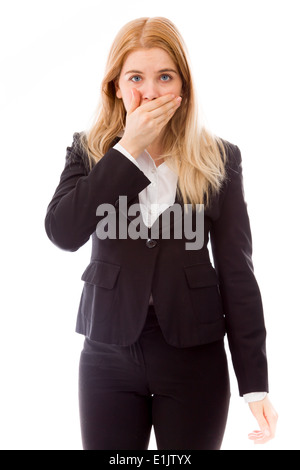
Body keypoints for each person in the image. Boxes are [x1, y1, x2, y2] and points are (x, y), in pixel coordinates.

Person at [44, 17, 278, 450]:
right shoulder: (89, 150)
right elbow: (62, 232)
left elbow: (237, 272)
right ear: (116, 85)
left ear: (183, 86)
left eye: (164, 77)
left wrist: (255, 383)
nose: (149, 92)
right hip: (108, 354)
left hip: (194, 354)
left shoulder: (219, 158)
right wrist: (128, 149)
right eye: (135, 77)